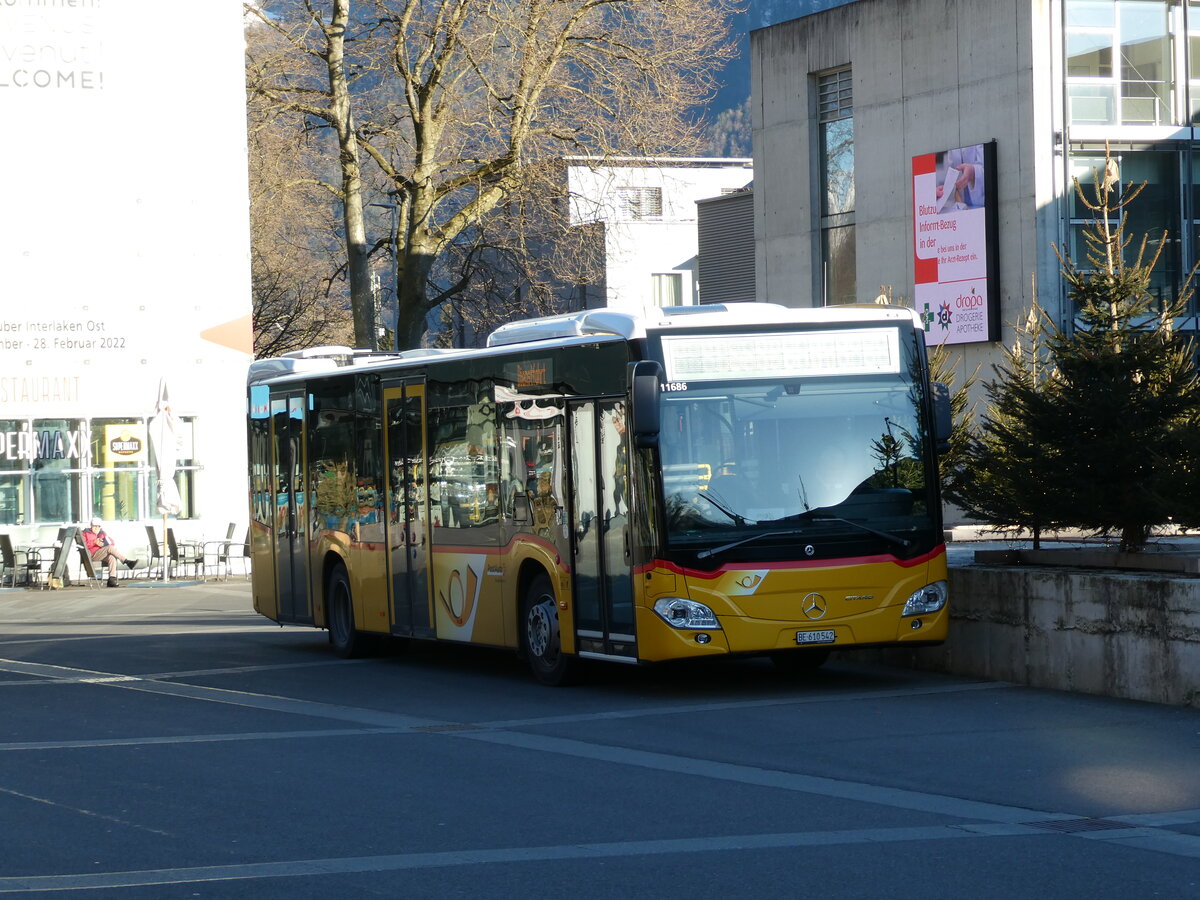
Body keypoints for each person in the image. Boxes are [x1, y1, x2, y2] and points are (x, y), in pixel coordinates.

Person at [82, 518, 138, 588]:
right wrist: (94, 542)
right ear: (91, 526)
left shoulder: (102, 533)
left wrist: (104, 542)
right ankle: (126, 561)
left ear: (100, 527)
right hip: (92, 554)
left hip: (101, 553)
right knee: (109, 548)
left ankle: (111, 579)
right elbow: (84, 545)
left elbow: (112, 542)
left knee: (112, 557)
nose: (96, 528)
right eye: (94, 526)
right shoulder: (85, 533)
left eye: (98, 526)